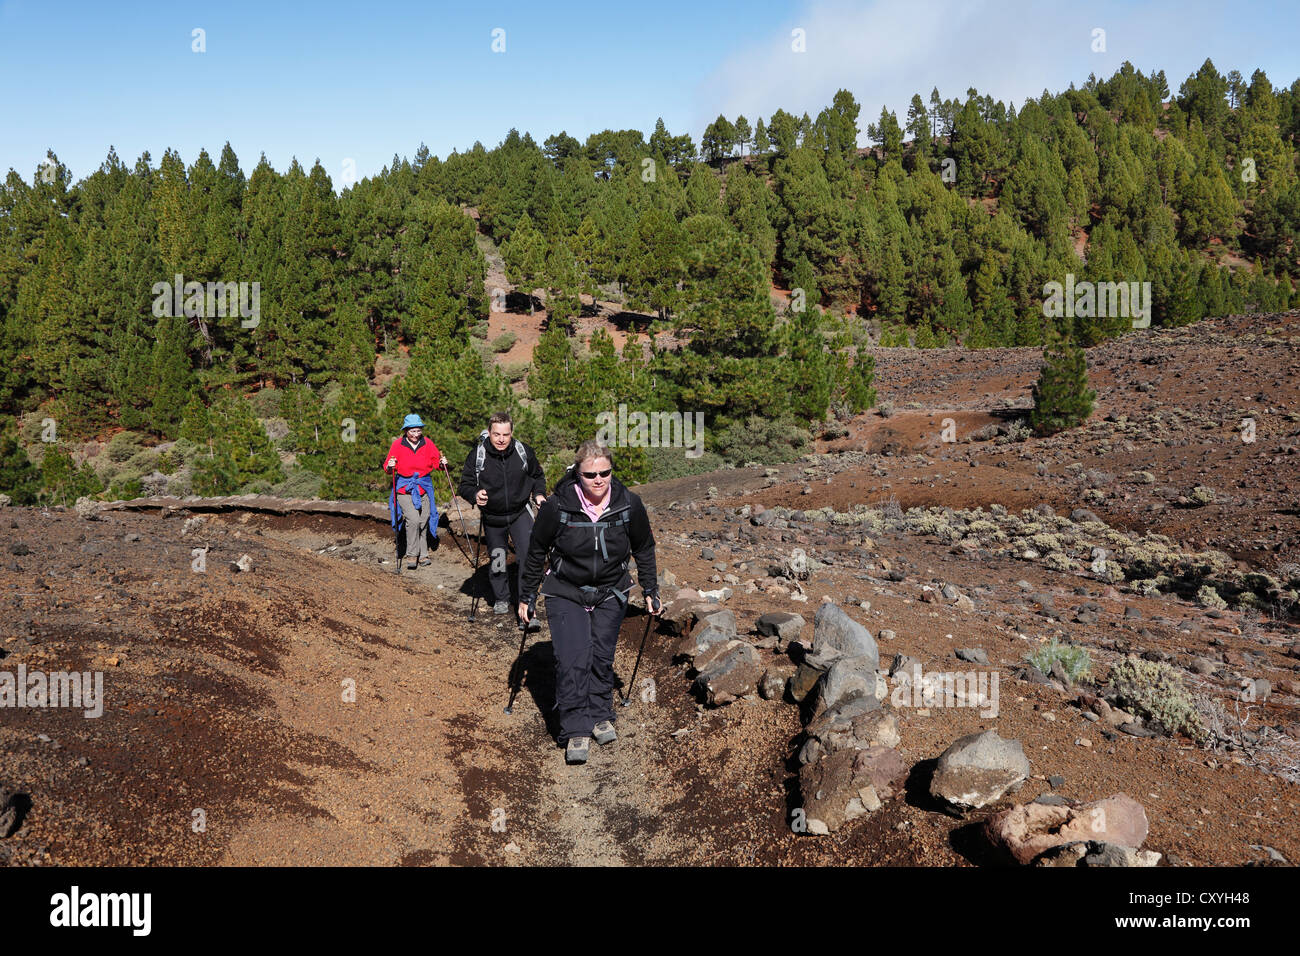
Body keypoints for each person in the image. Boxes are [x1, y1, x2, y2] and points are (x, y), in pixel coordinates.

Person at [519, 439, 662, 765]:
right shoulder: (557, 507)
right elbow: (536, 551)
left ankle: (600, 714)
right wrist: (527, 595)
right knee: (573, 659)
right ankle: (575, 728)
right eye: (590, 475)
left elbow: (644, 547)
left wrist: (651, 589)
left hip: (611, 591)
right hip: (566, 591)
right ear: (577, 474)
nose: (598, 480)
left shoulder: (629, 505)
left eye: (604, 473)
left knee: (600, 656)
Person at [457, 411, 547, 620]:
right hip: (493, 518)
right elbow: (466, 485)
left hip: (519, 513)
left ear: (511, 432)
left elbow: (537, 476)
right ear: (489, 432)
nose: (501, 439)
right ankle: (501, 598)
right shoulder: (478, 454)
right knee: (497, 559)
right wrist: (474, 494)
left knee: (528, 557)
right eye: (496, 434)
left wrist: (539, 494)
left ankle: (527, 602)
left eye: (505, 435)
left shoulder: (523, 451)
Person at [382, 414, 441, 569]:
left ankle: (423, 555)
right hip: (404, 488)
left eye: (418, 431)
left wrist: (442, 463)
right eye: (412, 431)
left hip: (424, 486)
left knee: (423, 520)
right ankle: (412, 555)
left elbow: (437, 463)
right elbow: (387, 468)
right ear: (406, 430)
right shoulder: (397, 444)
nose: (416, 435)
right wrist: (391, 465)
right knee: (413, 520)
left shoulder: (427, 443)